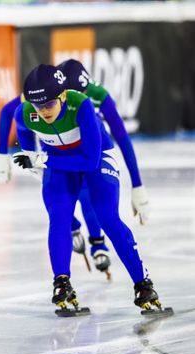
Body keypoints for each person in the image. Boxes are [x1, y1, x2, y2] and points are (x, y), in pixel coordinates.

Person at [12, 64, 170, 316]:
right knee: (59, 217)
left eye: (49, 104)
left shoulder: (82, 105)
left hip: (94, 159)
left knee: (107, 216)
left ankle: (144, 286)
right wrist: (30, 153)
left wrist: (42, 160)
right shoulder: (24, 112)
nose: (43, 111)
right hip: (59, 164)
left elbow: (89, 161)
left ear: (62, 96)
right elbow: (22, 132)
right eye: (37, 106)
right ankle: (61, 284)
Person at [57, 59, 149, 278]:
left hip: (93, 148)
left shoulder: (98, 94)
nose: (79, 102)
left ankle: (97, 242)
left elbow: (122, 137)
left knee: (92, 193)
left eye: (83, 94)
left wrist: (138, 185)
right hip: (65, 149)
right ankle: (84, 232)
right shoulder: (52, 99)